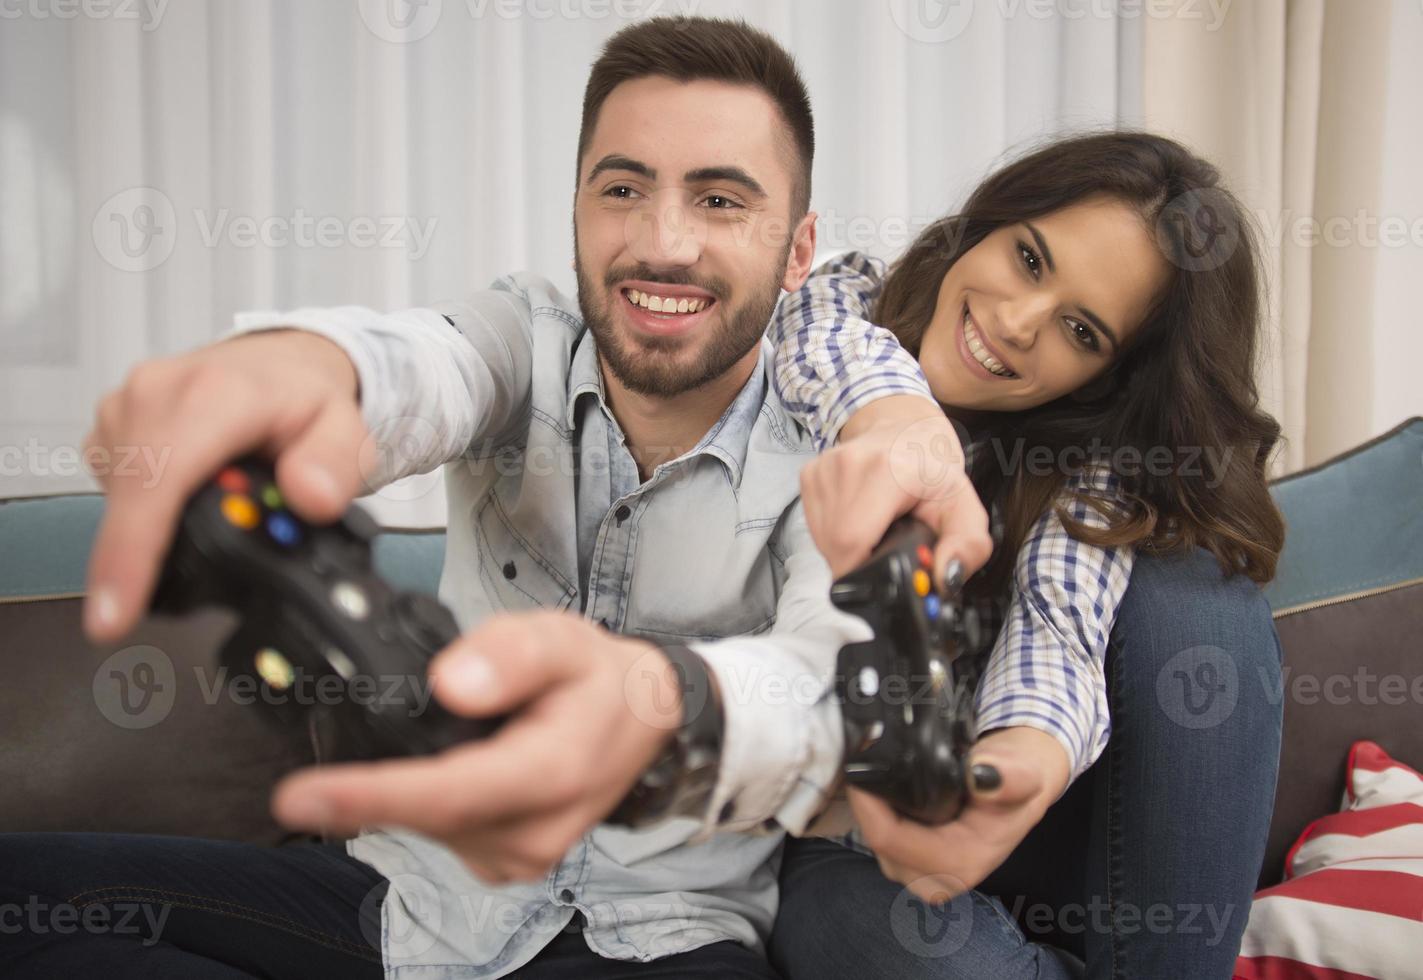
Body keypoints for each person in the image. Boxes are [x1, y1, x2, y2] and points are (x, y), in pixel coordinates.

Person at [0, 17, 988, 979]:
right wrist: (307, 367)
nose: (663, 242)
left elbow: (820, 680)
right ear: (576, 209)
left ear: (798, 247)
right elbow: (426, 367)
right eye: (622, 187)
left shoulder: (838, 440)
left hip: (663, 937)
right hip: (401, 907)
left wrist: (658, 705)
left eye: (720, 200)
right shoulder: (525, 333)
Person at [763, 132, 1287, 978]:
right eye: (1029, 258)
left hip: (1034, 831)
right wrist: (904, 427)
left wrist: (1025, 757)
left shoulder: (1087, 476)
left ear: (1110, 376)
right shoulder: (843, 307)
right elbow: (826, 349)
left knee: (1199, 600)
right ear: (988, 222)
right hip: (840, 839)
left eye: (1080, 329)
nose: (1013, 324)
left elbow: (1061, 628)